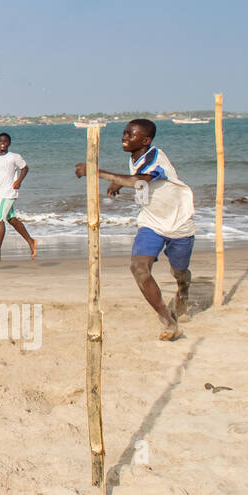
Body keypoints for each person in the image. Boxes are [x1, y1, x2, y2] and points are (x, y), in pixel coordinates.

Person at [74, 119, 195, 341]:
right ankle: (168, 321)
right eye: (125, 133)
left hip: (179, 222)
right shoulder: (136, 158)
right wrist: (121, 181)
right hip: (151, 222)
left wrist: (94, 171)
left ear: (146, 140)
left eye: (131, 135)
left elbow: (141, 179)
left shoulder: (156, 158)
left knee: (180, 271)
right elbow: (137, 176)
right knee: (139, 268)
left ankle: (183, 290)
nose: (125, 137)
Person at [0, 132, 37, 259]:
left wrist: (19, 181)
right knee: (11, 219)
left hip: (9, 192)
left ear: (9, 143)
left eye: (5, 141)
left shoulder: (14, 157)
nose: (3, 143)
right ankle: (31, 242)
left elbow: (25, 168)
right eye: (0, 140)